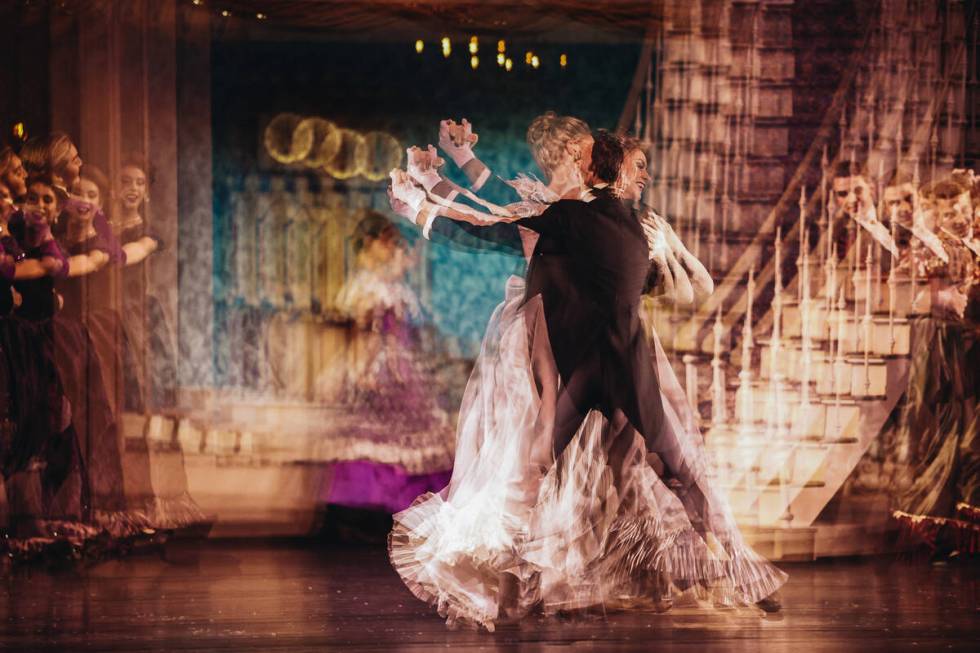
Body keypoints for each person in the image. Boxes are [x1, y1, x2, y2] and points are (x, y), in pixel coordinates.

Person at [387, 129, 785, 630]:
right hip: (596, 366)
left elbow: (684, 288)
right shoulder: (574, 217)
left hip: (609, 365)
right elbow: (490, 226)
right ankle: (516, 591)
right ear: (608, 171)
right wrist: (425, 203)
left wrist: (670, 254)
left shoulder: (637, 226)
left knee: (651, 470)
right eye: (636, 167)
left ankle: (732, 571)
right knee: (567, 470)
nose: (644, 176)